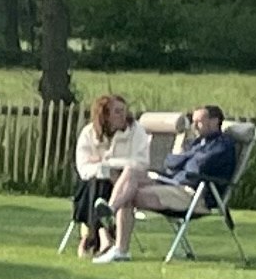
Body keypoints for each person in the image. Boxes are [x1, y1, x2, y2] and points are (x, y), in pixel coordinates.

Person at [96, 105, 243, 261]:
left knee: (129, 194)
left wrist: (183, 158)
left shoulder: (223, 145)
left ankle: (120, 249)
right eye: (193, 121)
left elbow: (196, 167)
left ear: (214, 121)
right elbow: (170, 162)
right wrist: (187, 158)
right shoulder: (198, 143)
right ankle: (111, 210)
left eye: (199, 122)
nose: (194, 126)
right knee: (131, 171)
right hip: (173, 184)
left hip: (194, 194)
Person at [68, 93, 143, 256]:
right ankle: (103, 235)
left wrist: (107, 163)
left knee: (97, 186)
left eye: (124, 111)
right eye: (117, 111)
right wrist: (104, 169)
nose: (123, 115)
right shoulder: (88, 133)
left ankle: (92, 237)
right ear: (105, 114)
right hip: (94, 185)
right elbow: (83, 168)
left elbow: (140, 162)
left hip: (121, 187)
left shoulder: (135, 131)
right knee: (96, 182)